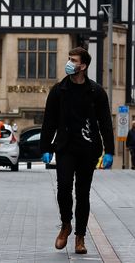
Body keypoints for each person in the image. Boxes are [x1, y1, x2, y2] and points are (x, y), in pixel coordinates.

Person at [41, 47, 114, 255]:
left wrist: (109, 150)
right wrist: (45, 146)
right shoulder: (58, 90)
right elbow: (49, 121)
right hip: (65, 148)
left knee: (83, 193)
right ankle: (66, 224)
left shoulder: (96, 92)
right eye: (69, 59)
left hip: (88, 149)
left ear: (83, 66)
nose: (69, 63)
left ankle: (80, 237)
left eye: (73, 60)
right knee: (63, 187)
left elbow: (105, 123)